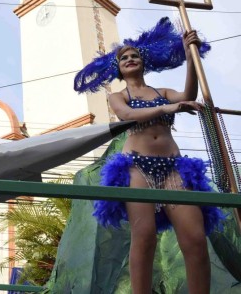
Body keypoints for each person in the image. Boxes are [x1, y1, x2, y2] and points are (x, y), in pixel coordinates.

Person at [74, 17, 226, 294]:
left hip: (172, 167)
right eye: (124, 58)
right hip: (136, 167)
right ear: (119, 69)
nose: (130, 58)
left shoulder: (163, 91)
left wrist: (190, 56)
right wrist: (168, 109)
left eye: (135, 55)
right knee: (144, 237)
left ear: (144, 63)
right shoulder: (119, 96)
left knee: (194, 237)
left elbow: (188, 93)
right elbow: (128, 115)